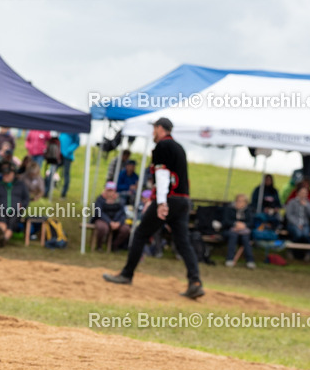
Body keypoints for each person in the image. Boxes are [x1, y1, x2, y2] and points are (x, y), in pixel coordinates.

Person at [104, 118, 205, 299]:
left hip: (169, 200)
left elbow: (162, 175)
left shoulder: (162, 147)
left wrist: (160, 202)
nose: (153, 133)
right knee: (183, 242)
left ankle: (127, 274)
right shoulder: (179, 147)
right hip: (183, 201)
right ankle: (195, 282)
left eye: (154, 129)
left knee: (141, 233)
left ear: (160, 129)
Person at [0, 164, 29, 248]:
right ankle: (1, 236)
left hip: (16, 211)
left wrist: (22, 206)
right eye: (4, 174)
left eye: (8, 174)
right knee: (1, 219)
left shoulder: (20, 185)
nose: (5, 176)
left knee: (12, 222)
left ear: (13, 174)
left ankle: (3, 239)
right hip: (1, 210)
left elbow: (26, 199)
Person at [221, 194, 256, 269]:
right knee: (233, 235)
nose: (238, 203)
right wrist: (235, 224)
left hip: (243, 232)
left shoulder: (248, 211)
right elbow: (225, 222)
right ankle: (230, 259)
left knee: (245, 238)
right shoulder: (229, 209)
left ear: (245, 203)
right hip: (229, 231)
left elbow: (251, 223)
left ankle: (250, 261)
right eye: (237, 201)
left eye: (241, 201)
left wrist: (244, 225)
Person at [93, 181, 130, 250]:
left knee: (126, 229)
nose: (110, 192)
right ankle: (99, 246)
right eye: (108, 190)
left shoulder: (120, 200)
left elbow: (122, 213)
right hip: (103, 220)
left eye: (111, 190)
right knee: (102, 228)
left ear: (114, 191)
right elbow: (99, 212)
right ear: (105, 190)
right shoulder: (100, 199)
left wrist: (118, 222)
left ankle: (114, 245)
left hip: (116, 221)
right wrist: (109, 222)